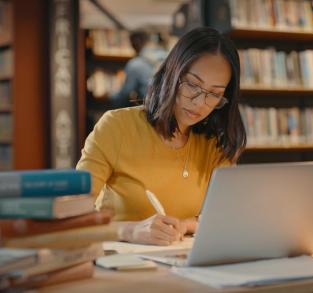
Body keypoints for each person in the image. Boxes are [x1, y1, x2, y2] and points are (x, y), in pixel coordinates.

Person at [77, 27, 246, 246]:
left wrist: (185, 225)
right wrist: (130, 230)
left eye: (214, 94)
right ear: (172, 73)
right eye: (193, 85)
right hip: (120, 263)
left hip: (182, 265)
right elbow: (72, 215)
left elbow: (225, 216)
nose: (199, 102)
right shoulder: (117, 126)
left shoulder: (214, 144)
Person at [110, 30, 167, 107]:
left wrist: (111, 97)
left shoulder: (135, 64)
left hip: (151, 109)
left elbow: (126, 93)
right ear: (148, 40)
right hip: (169, 107)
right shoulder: (168, 56)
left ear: (134, 45)